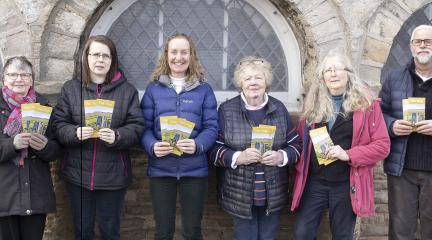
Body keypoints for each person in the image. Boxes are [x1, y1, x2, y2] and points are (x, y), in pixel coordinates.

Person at [53, 35, 145, 240]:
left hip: (113, 175)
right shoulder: (71, 88)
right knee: (82, 231)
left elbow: (137, 126)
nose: (100, 60)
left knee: (110, 232)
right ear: (86, 57)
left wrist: (118, 136)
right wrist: (75, 133)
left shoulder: (127, 91)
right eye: (95, 54)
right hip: (78, 174)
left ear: (113, 60)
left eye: (106, 55)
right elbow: (58, 125)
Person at [291, 51, 390, 240]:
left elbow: (382, 145)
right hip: (314, 183)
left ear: (349, 74)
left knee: (342, 236)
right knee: (302, 234)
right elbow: (300, 142)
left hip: (346, 184)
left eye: (337, 69)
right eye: (328, 70)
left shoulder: (367, 105)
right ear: (322, 77)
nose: (333, 74)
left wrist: (348, 154)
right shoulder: (312, 104)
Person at [210, 56, 302, 240]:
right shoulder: (227, 110)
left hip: (273, 192)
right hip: (240, 194)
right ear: (240, 83)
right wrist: (238, 157)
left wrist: (281, 156)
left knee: (268, 237)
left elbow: (296, 145)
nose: (253, 82)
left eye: (259, 78)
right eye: (248, 78)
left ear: (266, 81)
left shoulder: (279, 108)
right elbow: (214, 150)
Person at [141, 33, 218, 240]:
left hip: (194, 170)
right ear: (166, 55)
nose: (179, 57)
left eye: (184, 52)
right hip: (161, 169)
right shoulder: (153, 89)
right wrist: (152, 146)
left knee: (192, 231)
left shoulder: (204, 90)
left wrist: (198, 145)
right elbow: (144, 127)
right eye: (173, 52)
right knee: (163, 231)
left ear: (191, 55)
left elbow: (212, 127)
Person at [379, 24, 432, 239]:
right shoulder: (394, 77)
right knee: (401, 231)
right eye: (417, 42)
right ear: (410, 46)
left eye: (427, 41)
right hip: (403, 169)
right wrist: (392, 125)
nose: (422, 46)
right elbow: (378, 116)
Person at [0, 56, 61, 240]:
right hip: (5, 195)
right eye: (13, 74)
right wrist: (13, 144)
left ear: (32, 80)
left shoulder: (43, 107)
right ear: (4, 79)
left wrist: (45, 147)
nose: (19, 79)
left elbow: (57, 150)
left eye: (24, 75)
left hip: (35, 193)